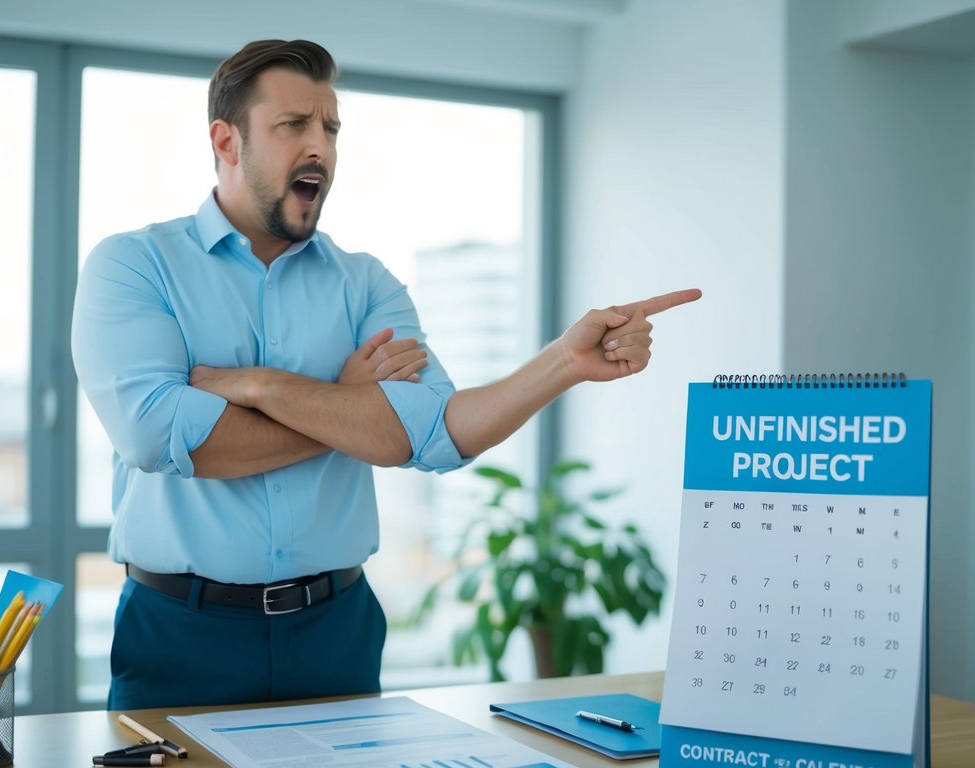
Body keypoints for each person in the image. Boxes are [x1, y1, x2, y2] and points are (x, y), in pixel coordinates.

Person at [72, 38, 701, 710]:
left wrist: (564, 363)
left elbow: (430, 434)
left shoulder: (366, 283)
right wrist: (351, 409)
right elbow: (166, 438)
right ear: (226, 142)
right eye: (293, 126)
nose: (321, 147)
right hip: (180, 631)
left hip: (335, 629)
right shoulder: (134, 266)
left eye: (331, 128)